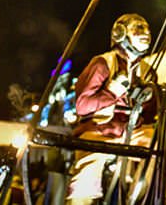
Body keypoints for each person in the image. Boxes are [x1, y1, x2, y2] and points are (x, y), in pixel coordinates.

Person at [66, 13, 158, 205]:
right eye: (137, 29)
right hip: (99, 131)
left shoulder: (148, 70)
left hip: (132, 133)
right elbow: (82, 107)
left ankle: (141, 197)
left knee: (158, 147)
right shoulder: (103, 63)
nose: (145, 33)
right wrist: (111, 92)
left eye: (146, 29)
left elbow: (150, 115)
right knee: (86, 175)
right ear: (120, 33)